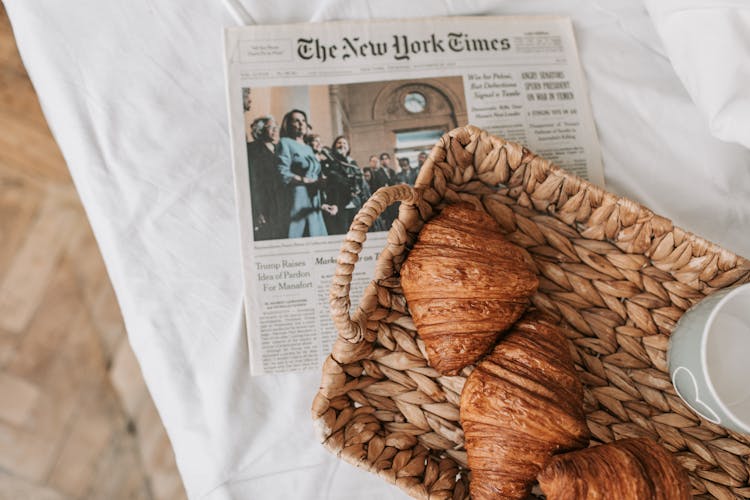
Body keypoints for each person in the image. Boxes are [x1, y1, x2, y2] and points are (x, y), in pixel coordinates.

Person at [275, 109, 329, 238]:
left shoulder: (309, 148)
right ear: (288, 124)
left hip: (314, 200)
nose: (301, 124)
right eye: (297, 121)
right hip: (297, 199)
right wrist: (304, 180)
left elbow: (315, 174)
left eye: (304, 120)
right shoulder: (284, 142)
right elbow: (282, 173)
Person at [246, 116, 287, 240]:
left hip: (280, 203)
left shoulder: (280, 149)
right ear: (260, 130)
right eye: (271, 127)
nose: (276, 130)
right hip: (263, 205)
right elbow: (253, 182)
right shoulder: (252, 149)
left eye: (277, 127)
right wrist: (257, 210)